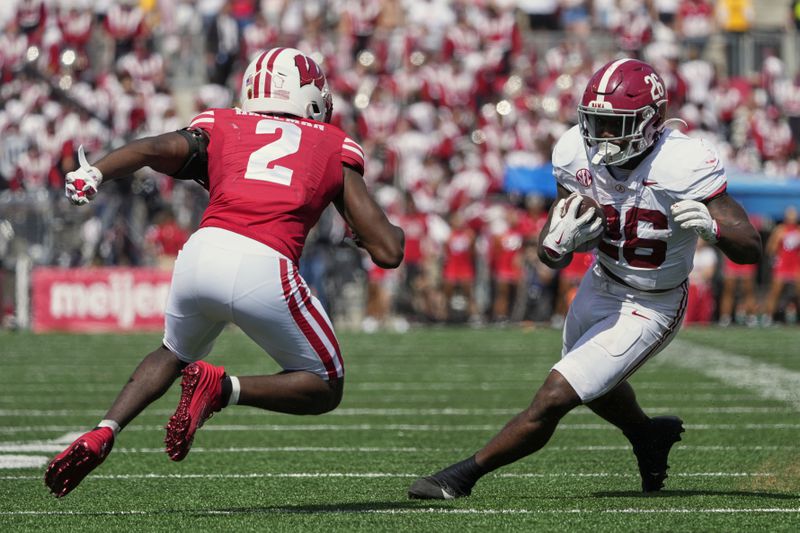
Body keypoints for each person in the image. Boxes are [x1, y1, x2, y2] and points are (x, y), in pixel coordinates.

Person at [45, 47, 404, 498]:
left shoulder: (223, 124)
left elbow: (154, 148)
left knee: (172, 353)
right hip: (266, 265)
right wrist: (373, 230)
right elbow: (388, 251)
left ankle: (104, 430)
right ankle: (224, 388)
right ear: (310, 95)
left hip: (201, 254)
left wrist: (96, 172)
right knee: (326, 385)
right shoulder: (333, 143)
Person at [408, 58, 761, 500]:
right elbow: (550, 251)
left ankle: (459, 478)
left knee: (557, 394)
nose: (602, 135)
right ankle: (648, 436)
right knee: (594, 387)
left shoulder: (683, 161)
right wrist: (557, 243)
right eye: (596, 121)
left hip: (652, 301)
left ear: (650, 123)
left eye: (616, 124)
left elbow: (750, 248)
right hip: (600, 281)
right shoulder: (575, 151)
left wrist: (715, 230)